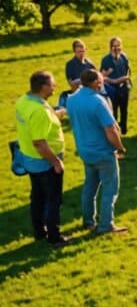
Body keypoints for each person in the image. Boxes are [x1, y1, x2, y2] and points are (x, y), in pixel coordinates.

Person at [66, 69, 128, 235]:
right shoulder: (97, 101)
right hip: (103, 152)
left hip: (85, 151)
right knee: (110, 189)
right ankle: (106, 225)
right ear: (94, 82)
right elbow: (110, 130)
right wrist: (119, 147)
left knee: (89, 187)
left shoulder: (71, 99)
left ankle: (88, 221)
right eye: (101, 80)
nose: (103, 82)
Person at [15, 71, 69, 245]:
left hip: (29, 159)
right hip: (44, 162)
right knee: (53, 199)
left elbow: (33, 124)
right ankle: (54, 236)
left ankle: (39, 231)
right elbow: (39, 143)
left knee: (37, 197)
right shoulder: (39, 112)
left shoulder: (24, 101)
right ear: (44, 87)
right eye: (52, 84)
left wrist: (55, 114)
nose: (55, 87)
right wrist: (56, 162)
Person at [101, 37, 131, 135]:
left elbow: (128, 72)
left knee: (124, 110)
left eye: (118, 45)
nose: (116, 48)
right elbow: (102, 76)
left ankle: (124, 130)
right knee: (113, 111)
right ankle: (114, 131)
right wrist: (114, 80)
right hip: (112, 89)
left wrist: (125, 80)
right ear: (110, 47)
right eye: (114, 46)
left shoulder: (124, 57)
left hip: (123, 88)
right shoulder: (106, 60)